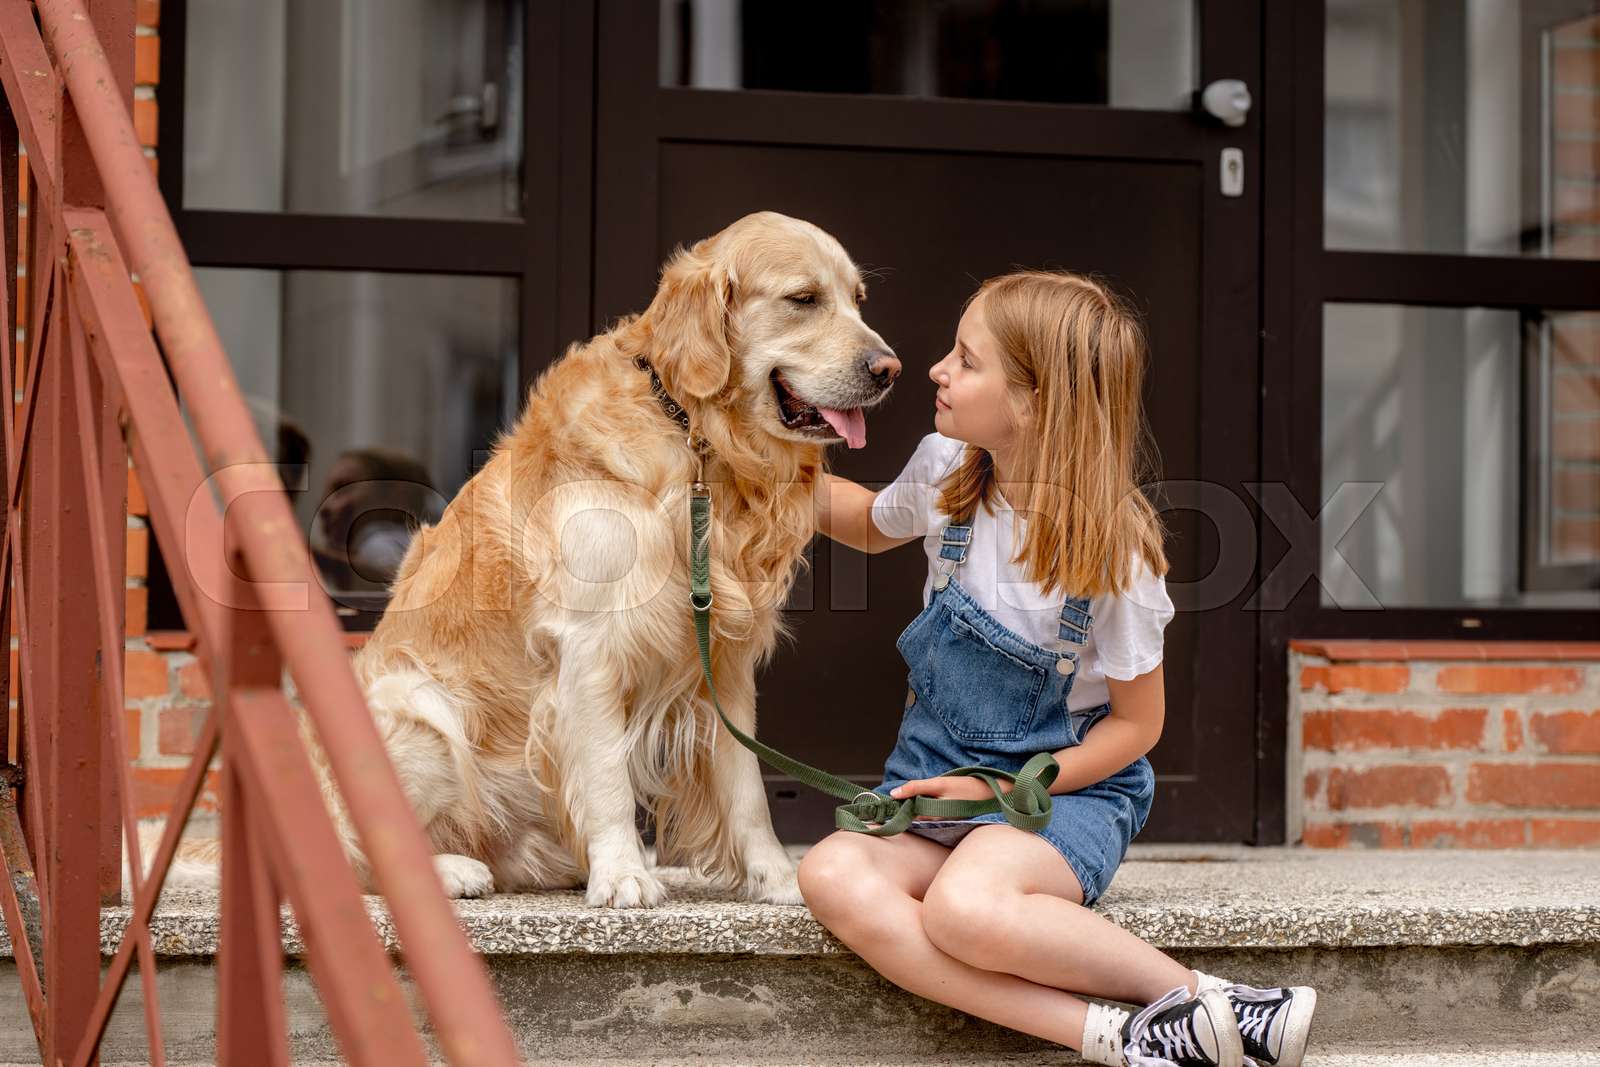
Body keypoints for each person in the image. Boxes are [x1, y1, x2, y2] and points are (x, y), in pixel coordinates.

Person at [799, 271, 1317, 1067]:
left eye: (966, 361)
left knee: (964, 908)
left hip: (1062, 799)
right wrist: (746, 470)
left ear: (1036, 402)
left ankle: (1199, 997)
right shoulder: (945, 470)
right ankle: (1121, 1037)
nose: (936, 369)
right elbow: (869, 524)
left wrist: (1002, 790)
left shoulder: (1117, 552)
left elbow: (1139, 727)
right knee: (831, 871)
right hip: (939, 787)